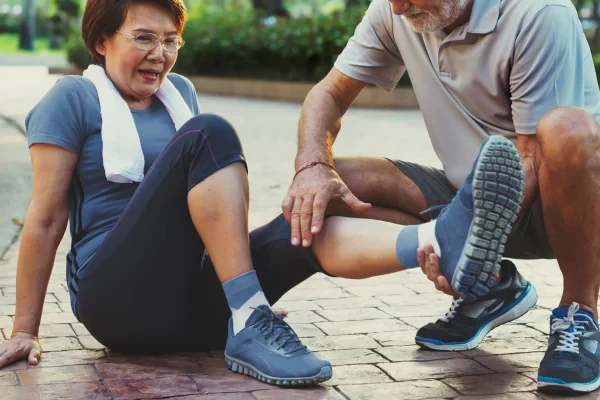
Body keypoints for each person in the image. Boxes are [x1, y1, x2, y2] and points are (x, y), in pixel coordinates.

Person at [282, 0, 600, 394]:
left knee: (567, 127)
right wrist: (312, 164)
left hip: (566, 204)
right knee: (337, 182)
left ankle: (579, 312)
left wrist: (462, 242)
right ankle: (492, 286)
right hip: (469, 195)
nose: (398, 9)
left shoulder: (539, 12)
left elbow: (532, 159)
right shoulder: (395, 10)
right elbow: (329, 93)